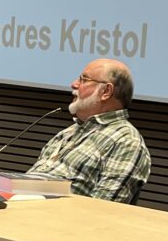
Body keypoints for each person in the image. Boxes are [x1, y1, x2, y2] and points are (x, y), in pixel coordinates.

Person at [28, 58, 150, 203]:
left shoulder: (126, 142)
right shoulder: (68, 132)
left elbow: (103, 209)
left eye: (84, 80)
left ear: (106, 91)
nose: (74, 84)